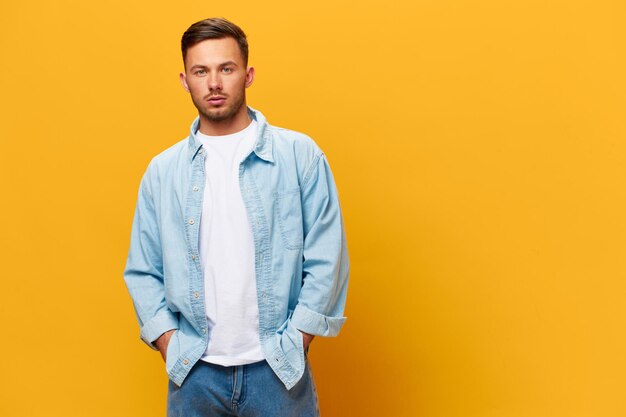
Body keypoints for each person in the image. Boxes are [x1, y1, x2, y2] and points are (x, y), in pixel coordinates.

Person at [123, 17, 350, 417]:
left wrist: (297, 339)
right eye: (201, 71)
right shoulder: (162, 172)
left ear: (247, 75)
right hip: (194, 373)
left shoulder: (299, 156)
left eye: (226, 69)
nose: (214, 83)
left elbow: (327, 256)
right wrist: (168, 342)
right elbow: (143, 270)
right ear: (184, 79)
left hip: (278, 370)